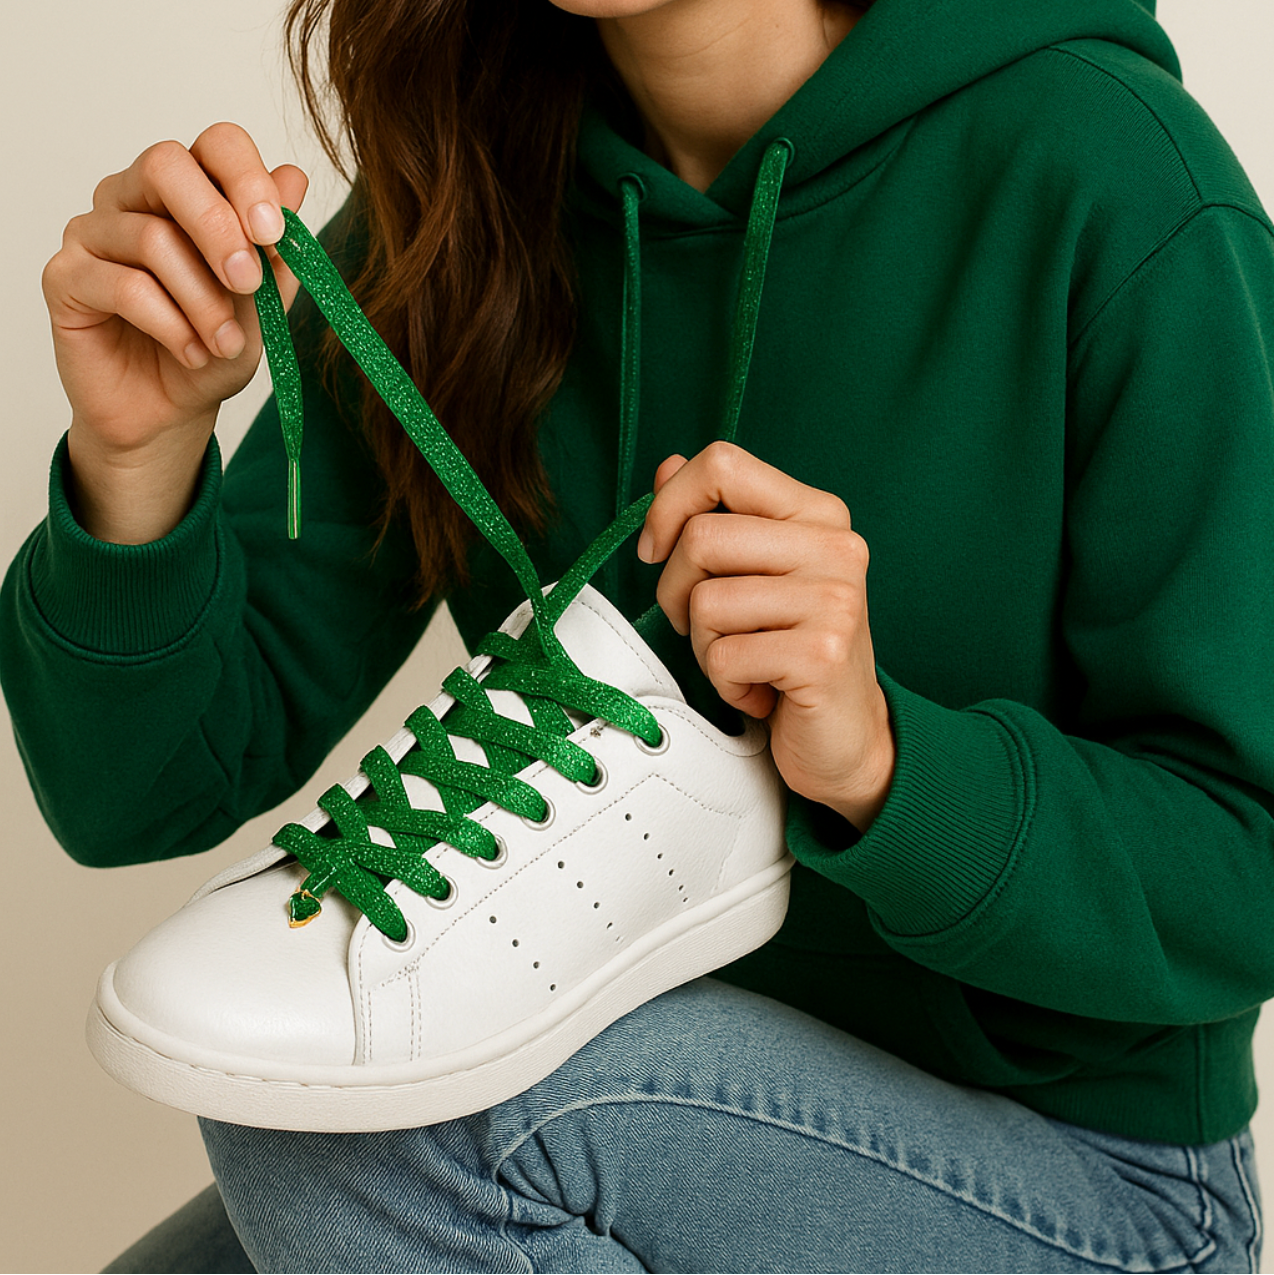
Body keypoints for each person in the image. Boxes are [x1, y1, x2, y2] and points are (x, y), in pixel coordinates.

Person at [6, 0, 1274, 1270]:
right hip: (614, 1104)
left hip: (1093, 1184)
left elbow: (1247, 871)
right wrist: (138, 461)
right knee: (305, 1117)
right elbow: (140, 794)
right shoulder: (462, 199)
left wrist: (889, 766)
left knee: (358, 1115)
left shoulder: (1109, 174)